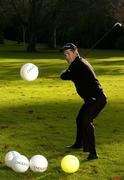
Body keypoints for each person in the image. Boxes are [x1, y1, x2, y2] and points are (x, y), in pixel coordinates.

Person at [60, 43, 107, 160]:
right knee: (79, 119)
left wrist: (63, 72)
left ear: (75, 52)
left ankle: (93, 153)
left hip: (98, 99)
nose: (67, 57)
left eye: (69, 54)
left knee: (86, 120)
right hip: (90, 100)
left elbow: (64, 76)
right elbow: (69, 73)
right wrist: (68, 69)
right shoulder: (77, 63)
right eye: (65, 55)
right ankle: (78, 144)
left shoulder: (79, 64)